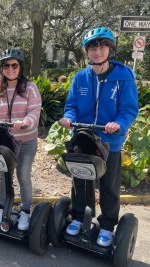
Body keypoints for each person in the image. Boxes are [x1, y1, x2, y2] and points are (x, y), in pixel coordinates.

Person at [59, 27, 139, 247]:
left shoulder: (123, 76)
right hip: (83, 138)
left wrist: (119, 123)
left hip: (109, 141)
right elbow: (72, 106)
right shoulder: (80, 78)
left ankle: (106, 225)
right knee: (81, 181)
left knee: (109, 186)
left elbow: (129, 109)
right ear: (87, 51)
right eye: (93, 47)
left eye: (102, 46)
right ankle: (78, 217)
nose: (97, 51)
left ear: (110, 49)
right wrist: (68, 117)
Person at [0, 48, 42, 230]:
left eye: (14, 65)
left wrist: (26, 122)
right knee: (4, 176)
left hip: (26, 140)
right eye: (6, 65)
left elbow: (34, 112)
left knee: (23, 175)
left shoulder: (30, 88)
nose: (10, 69)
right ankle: (4, 207)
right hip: (5, 142)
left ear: (20, 67)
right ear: (2, 68)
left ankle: (26, 212)